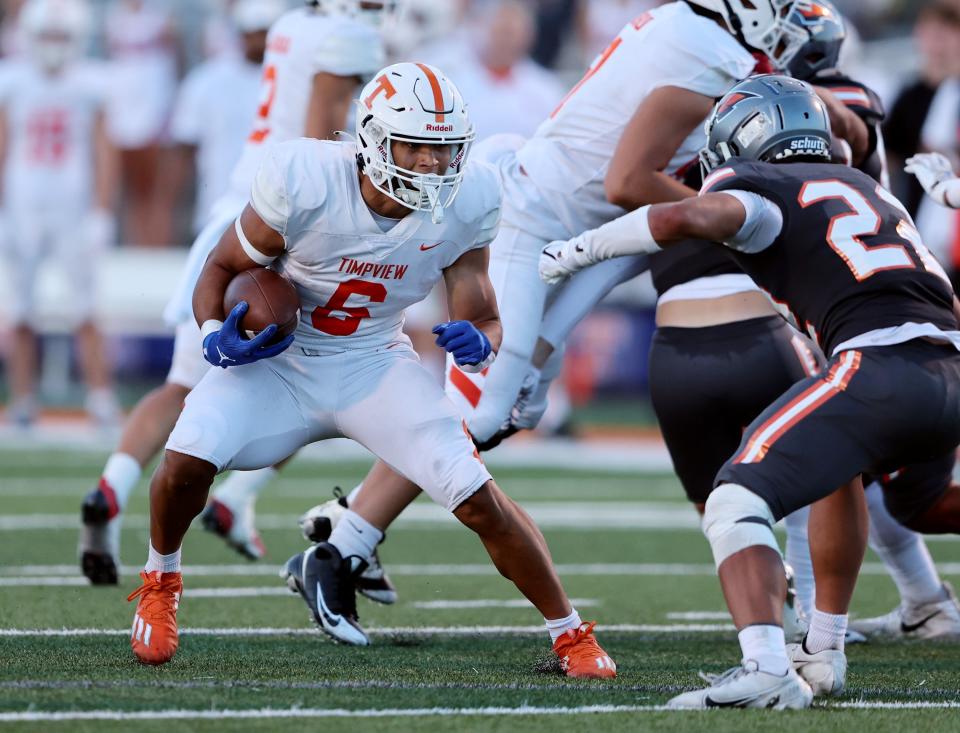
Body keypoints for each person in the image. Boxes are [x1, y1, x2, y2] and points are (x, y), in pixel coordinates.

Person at [126, 62, 618, 681]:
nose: (432, 166)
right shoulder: (305, 178)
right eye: (416, 146)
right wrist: (210, 336)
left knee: (477, 498)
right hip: (283, 360)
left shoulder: (469, 200)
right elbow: (219, 270)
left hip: (371, 361)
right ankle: (160, 579)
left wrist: (482, 340)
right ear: (372, 138)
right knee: (184, 461)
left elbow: (484, 312)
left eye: (445, 151)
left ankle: (570, 633)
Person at [539, 75, 960, 709]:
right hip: (948, 366)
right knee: (903, 499)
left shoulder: (763, 187)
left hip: (881, 366)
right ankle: (823, 650)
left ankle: (765, 666)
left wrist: (579, 250)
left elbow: (687, 214)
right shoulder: (870, 190)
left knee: (733, 497)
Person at [79, 0, 386, 585]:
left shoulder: (294, 25)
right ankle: (255, 501)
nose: (380, 10)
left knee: (180, 385)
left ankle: (111, 488)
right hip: (280, 224)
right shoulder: (348, 36)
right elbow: (321, 143)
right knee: (322, 380)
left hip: (233, 213)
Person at [0, 0, 119, 428]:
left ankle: (100, 396)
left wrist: (101, 211)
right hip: (24, 205)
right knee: (21, 309)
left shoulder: (90, 83)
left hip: (72, 208)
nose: (53, 46)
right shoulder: (13, 80)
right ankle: (22, 399)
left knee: (86, 307)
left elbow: (104, 151)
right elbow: (2, 144)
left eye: (61, 36)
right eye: (46, 36)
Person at [170, 0, 285, 235]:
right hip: (217, 207)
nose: (261, 40)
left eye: (267, 32)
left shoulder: (292, 80)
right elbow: (183, 148)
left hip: (276, 213)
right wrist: (175, 207)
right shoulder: (206, 80)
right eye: (255, 33)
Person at [103, 0, 179, 247]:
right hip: (124, 110)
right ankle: (133, 244)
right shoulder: (113, 18)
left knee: (155, 187)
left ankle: (154, 246)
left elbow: (172, 66)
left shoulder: (162, 19)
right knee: (128, 187)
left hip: (154, 109)